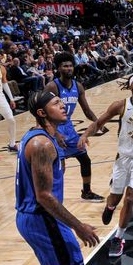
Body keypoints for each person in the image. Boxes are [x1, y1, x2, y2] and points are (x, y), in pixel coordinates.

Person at [15, 91, 101, 265]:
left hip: (37, 218)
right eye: (55, 103)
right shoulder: (42, 144)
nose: (62, 104)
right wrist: (79, 226)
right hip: (43, 218)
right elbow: (44, 196)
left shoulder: (41, 135)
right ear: (42, 112)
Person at [79, 74, 133, 258]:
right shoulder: (120, 105)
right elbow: (99, 122)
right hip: (123, 158)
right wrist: (85, 134)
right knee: (115, 197)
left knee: (129, 198)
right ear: (130, 87)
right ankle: (110, 207)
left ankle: (118, 238)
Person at [44, 53, 105, 202]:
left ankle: (87, 191)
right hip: (53, 127)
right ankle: (51, 196)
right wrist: (55, 134)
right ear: (59, 68)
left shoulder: (78, 86)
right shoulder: (53, 86)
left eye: (70, 65)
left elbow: (87, 110)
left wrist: (99, 122)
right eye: (65, 66)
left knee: (85, 159)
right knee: (60, 167)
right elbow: (43, 112)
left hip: (69, 128)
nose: (69, 68)